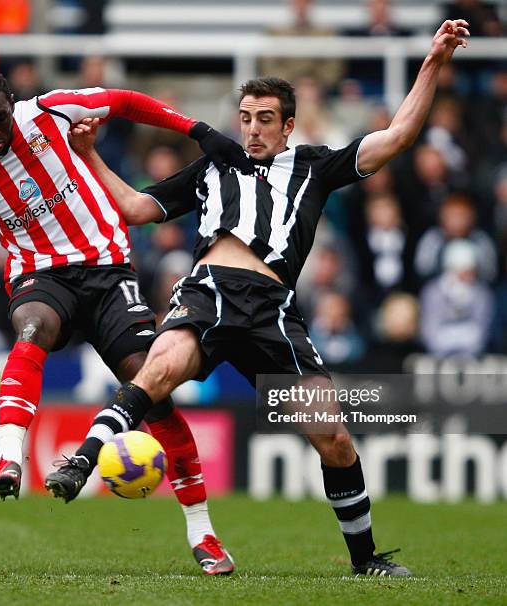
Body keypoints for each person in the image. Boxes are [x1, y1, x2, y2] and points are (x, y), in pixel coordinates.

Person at [60, 19, 470, 577]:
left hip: (272, 311)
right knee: (158, 369)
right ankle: (82, 461)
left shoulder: (314, 166)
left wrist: (433, 62)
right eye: (246, 118)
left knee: (335, 438)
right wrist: (88, 155)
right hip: (207, 294)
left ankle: (365, 559)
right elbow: (135, 208)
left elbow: (396, 137)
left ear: (288, 125)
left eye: (265, 120)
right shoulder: (211, 168)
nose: (252, 130)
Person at [0, 68, 254, 574]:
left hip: (106, 269)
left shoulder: (51, 111)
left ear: (13, 104)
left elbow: (126, 100)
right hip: (39, 276)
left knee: (150, 386)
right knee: (32, 329)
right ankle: (8, 459)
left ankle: (204, 533)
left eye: (0, 119)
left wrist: (197, 130)